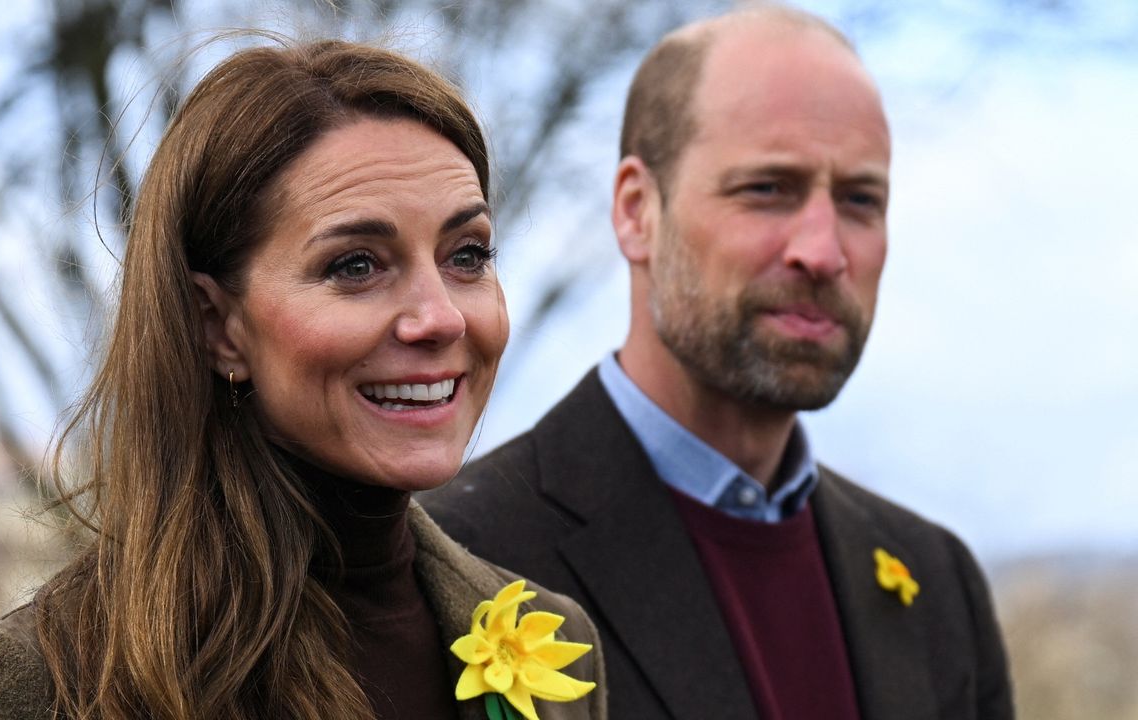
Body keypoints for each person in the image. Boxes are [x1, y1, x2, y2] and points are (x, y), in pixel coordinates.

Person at [0, 39, 604, 720]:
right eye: (356, 266)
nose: (438, 319)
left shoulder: (559, 641)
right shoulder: (53, 680)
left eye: (467, 255)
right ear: (217, 326)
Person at [422, 6, 1014, 720]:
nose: (823, 252)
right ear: (637, 211)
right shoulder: (455, 564)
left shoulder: (938, 584)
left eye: (861, 200)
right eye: (767, 189)